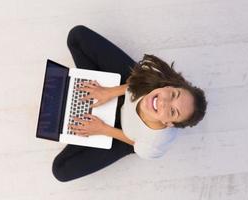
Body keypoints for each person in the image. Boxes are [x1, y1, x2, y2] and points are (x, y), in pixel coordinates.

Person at [52, 25, 207, 182]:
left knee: (61, 169)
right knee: (77, 36)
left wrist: (102, 129)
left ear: (169, 123)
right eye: (174, 94)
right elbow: (134, 84)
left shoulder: (154, 145)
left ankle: (90, 97)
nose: (164, 101)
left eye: (173, 111)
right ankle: (88, 89)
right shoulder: (157, 78)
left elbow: (135, 143)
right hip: (129, 90)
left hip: (126, 134)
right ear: (171, 85)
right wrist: (108, 92)